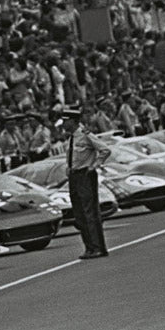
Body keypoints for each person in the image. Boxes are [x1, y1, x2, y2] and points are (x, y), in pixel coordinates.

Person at [62, 107, 111, 259]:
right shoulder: (71, 138)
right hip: (74, 176)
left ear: (73, 121)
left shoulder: (85, 135)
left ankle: (98, 247)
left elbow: (105, 150)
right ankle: (89, 247)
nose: (63, 124)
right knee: (79, 214)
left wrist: (94, 165)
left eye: (65, 121)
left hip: (85, 175)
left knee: (90, 212)